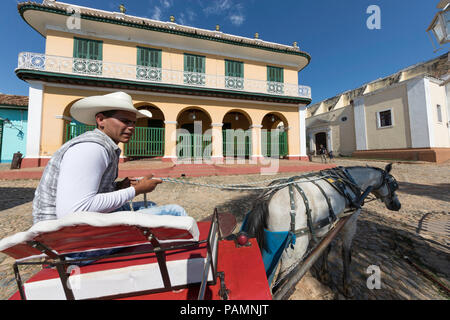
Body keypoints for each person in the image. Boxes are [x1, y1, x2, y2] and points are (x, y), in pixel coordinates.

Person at [32, 91, 187, 262]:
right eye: (125, 121)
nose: (131, 127)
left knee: (150, 206)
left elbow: (88, 194)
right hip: (68, 245)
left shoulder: (102, 145)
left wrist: (119, 187)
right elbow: (74, 211)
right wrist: (135, 190)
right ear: (100, 120)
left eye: (133, 122)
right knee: (175, 214)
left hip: (75, 232)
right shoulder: (91, 149)